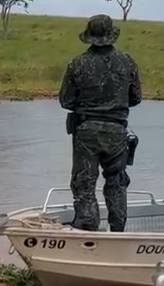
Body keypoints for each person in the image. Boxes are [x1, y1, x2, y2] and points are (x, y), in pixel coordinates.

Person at [58, 14, 142, 232]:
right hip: (117, 131)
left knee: (84, 182)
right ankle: (118, 228)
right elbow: (135, 98)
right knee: (117, 181)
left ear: (89, 37)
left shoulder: (77, 63)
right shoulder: (127, 62)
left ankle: (88, 226)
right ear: (111, 35)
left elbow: (65, 101)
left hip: (86, 131)